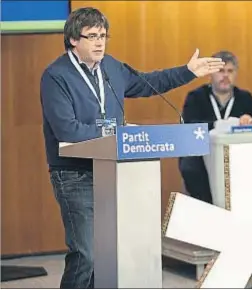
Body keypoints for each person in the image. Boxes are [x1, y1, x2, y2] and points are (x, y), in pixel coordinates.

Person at [40, 7, 224, 289]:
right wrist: (115, 131)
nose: (100, 42)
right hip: (74, 174)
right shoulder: (56, 76)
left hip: (114, 170)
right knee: (87, 254)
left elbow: (150, 83)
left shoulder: (112, 67)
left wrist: (187, 72)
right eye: (92, 36)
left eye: (103, 35)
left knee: (110, 254)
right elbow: (67, 130)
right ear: (73, 40)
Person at [179, 50, 252, 204]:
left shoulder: (245, 98)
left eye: (230, 71)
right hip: (202, 157)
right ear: (210, 74)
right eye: (220, 71)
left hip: (239, 158)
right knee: (189, 166)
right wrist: (218, 125)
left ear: (236, 74)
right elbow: (190, 125)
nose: (225, 76)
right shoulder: (196, 97)